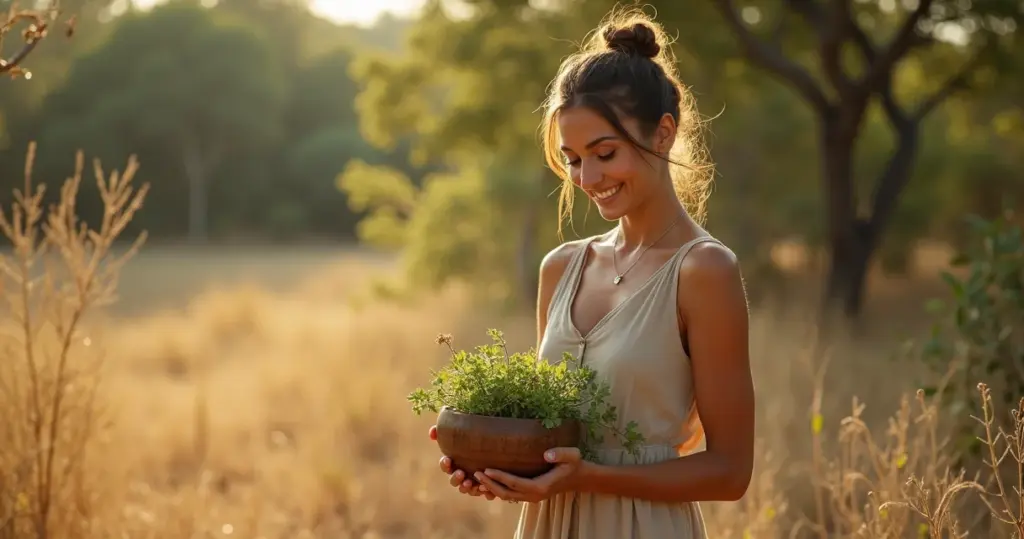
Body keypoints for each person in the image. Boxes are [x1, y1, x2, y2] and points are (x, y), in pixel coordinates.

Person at [426, 6, 755, 539]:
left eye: (605, 152)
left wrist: (591, 478)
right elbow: (551, 431)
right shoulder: (560, 268)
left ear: (664, 134)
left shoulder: (705, 270)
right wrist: (494, 462)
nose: (586, 177)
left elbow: (731, 472)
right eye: (574, 159)